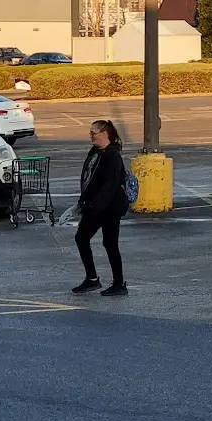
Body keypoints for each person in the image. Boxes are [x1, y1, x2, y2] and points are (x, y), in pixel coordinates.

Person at [72, 119, 129, 296]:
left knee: (110, 244)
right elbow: (89, 178)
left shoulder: (112, 156)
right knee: (82, 238)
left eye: (93, 132)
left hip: (109, 208)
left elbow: (110, 186)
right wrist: (84, 201)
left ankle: (119, 284)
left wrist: (95, 206)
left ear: (104, 134)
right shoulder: (96, 152)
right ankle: (92, 279)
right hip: (94, 206)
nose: (90, 135)